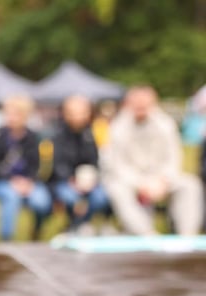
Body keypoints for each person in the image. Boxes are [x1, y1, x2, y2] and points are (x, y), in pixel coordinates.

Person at [103, 86, 203, 236]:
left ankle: (187, 236)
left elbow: (173, 158)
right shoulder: (117, 128)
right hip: (131, 181)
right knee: (117, 189)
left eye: (145, 104)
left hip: (161, 180)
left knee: (190, 185)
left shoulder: (166, 124)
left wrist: (163, 180)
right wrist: (140, 183)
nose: (141, 107)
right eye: (137, 104)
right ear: (128, 104)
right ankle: (146, 234)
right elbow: (116, 165)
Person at [0, 95, 52, 241]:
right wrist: (12, 181)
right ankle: (6, 239)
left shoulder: (33, 137)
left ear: (25, 115)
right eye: (8, 113)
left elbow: (39, 165)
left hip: (29, 182)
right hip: (4, 181)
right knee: (11, 197)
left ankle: (37, 231)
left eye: (15, 114)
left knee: (41, 201)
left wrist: (29, 182)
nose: (11, 117)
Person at [50, 95, 109, 234]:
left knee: (101, 197)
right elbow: (57, 165)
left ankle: (79, 226)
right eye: (73, 113)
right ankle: (76, 226)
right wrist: (72, 180)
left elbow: (96, 161)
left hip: (89, 182)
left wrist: (91, 180)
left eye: (81, 112)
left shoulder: (93, 132)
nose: (77, 117)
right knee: (71, 197)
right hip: (65, 182)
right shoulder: (56, 134)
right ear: (65, 113)